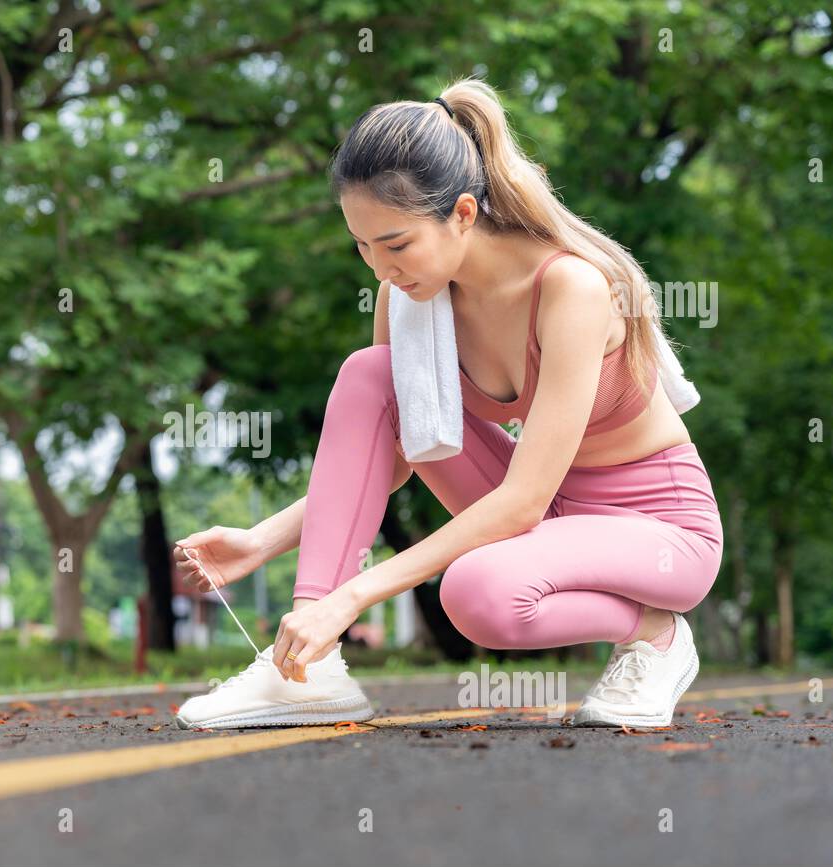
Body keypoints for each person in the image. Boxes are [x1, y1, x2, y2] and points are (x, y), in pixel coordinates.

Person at [172, 78, 723, 732]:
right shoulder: (410, 295)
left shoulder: (569, 287)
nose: (381, 268)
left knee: (477, 590)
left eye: (397, 244)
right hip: (548, 509)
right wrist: (260, 543)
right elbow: (394, 458)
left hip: (657, 528)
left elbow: (519, 503)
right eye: (363, 247)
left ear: (463, 213)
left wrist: (353, 598)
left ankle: (655, 633)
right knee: (370, 375)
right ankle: (307, 676)